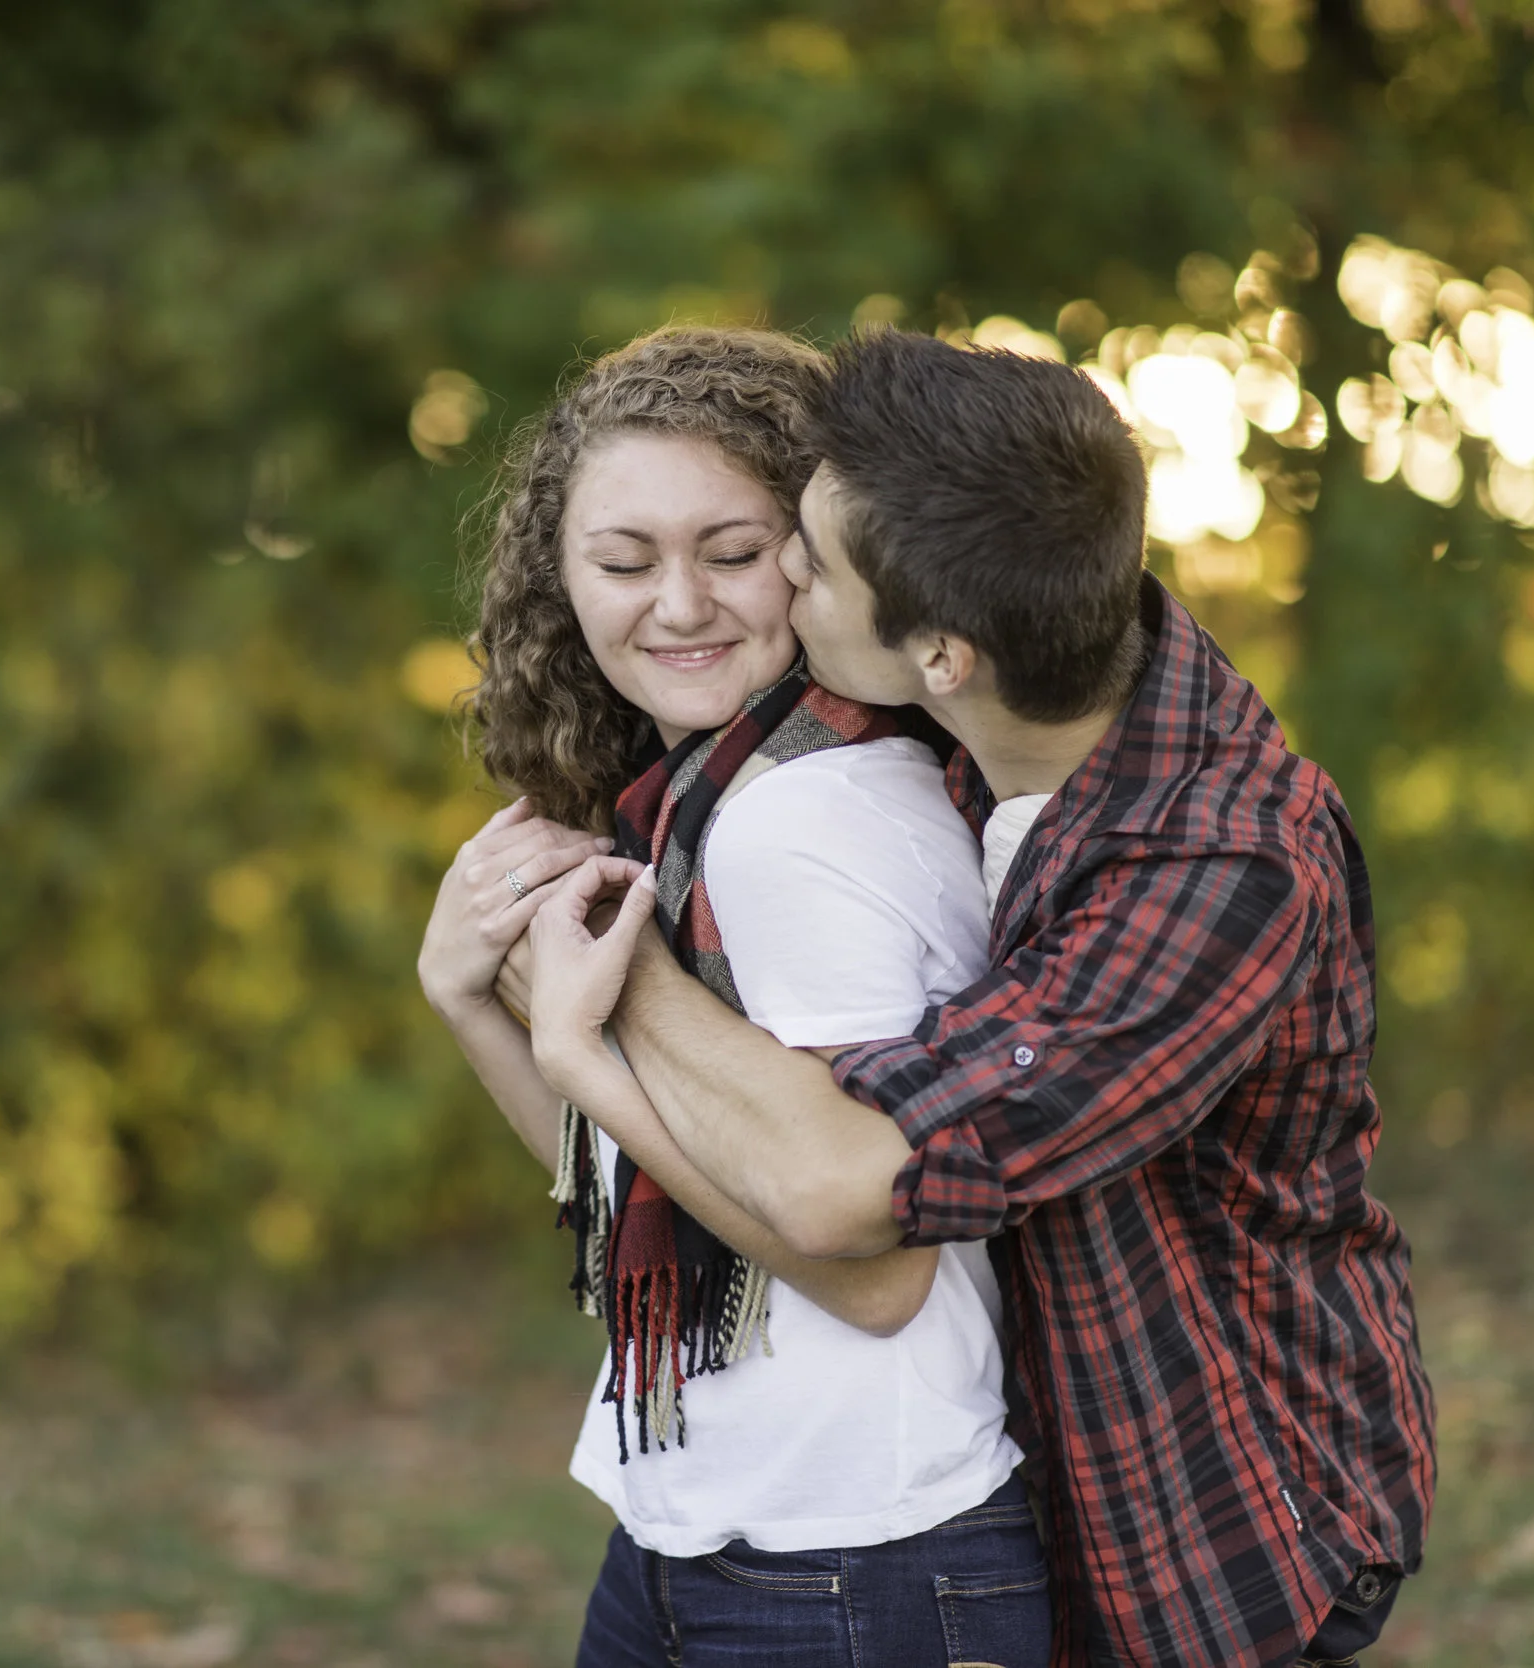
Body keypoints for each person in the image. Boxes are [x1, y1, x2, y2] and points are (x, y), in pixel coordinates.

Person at [519, 327, 1436, 1668]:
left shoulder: (1218, 874)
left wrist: (621, 980)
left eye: (805, 558)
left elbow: (849, 1197)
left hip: (1228, 1508)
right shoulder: (986, 722)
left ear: (940, 652)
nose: (781, 577)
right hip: (1029, 1478)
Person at [418, 325, 1050, 1668]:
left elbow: (875, 1278)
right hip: (702, 1525)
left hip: (856, 1557)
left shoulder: (797, 824)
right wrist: (469, 998)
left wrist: (583, 1044)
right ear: (558, 579)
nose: (679, 606)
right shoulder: (696, 809)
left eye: (732, 551)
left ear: (818, 557)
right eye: (624, 562)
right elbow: (639, 1181)